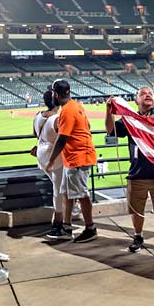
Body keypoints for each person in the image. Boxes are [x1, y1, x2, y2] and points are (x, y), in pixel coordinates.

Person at [105, 86, 154, 255]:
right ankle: (138, 236)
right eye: (143, 94)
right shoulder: (130, 119)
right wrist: (108, 111)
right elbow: (110, 130)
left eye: (150, 94)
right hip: (137, 173)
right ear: (136, 101)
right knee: (137, 210)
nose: (147, 96)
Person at [45, 79, 98, 243]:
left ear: (55, 94)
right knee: (67, 194)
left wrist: (51, 160)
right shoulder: (76, 105)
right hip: (76, 157)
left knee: (81, 194)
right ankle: (66, 227)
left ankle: (90, 228)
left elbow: (61, 139)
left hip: (78, 158)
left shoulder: (67, 111)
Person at [33, 90, 69, 240]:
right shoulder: (57, 118)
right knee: (58, 190)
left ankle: (65, 216)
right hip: (54, 157)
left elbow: (35, 134)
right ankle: (58, 224)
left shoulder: (38, 115)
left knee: (59, 188)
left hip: (41, 153)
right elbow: (63, 139)